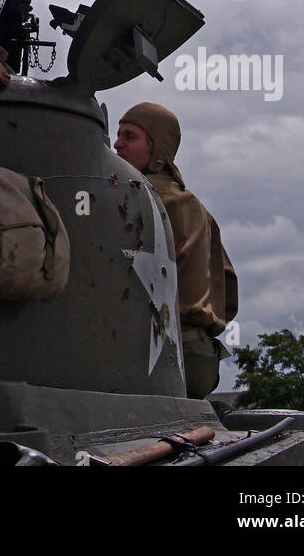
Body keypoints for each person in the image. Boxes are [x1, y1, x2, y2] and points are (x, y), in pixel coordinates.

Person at [113, 102, 238, 399]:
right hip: (199, 360)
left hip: (149, 356)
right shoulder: (198, 209)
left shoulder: (133, 199)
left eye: (130, 136)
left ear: (157, 149)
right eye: (118, 135)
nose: (117, 144)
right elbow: (229, 291)